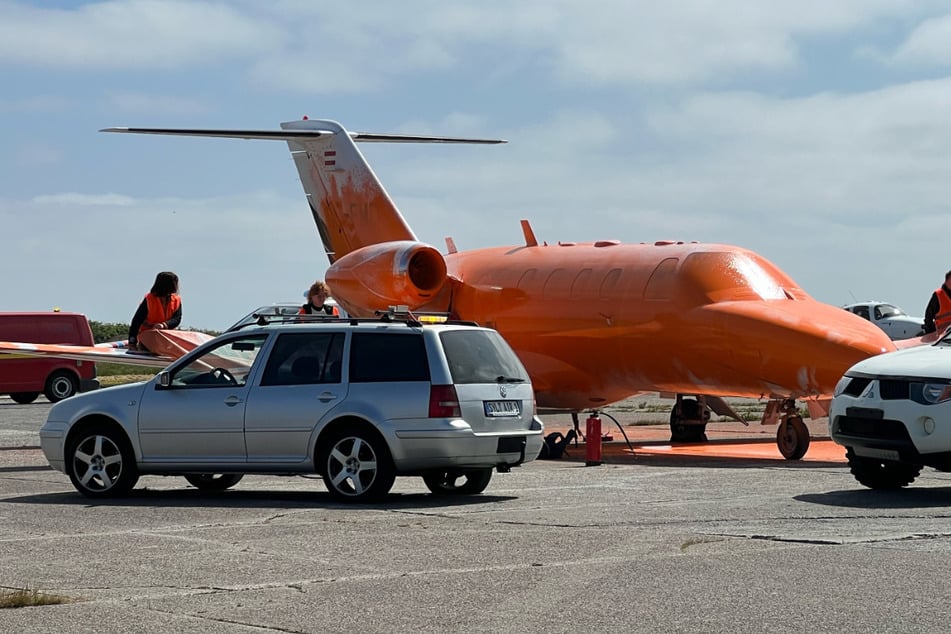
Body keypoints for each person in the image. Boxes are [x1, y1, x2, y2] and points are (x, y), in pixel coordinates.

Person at [129, 271, 182, 351]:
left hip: (167, 339)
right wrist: (132, 342)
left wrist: (163, 325)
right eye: (175, 283)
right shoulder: (149, 299)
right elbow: (136, 321)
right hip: (149, 338)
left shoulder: (176, 299)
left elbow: (177, 319)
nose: (177, 286)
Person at [923, 270, 951, 335]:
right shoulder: (938, 295)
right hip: (943, 338)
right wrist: (930, 333)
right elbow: (929, 316)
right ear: (946, 281)